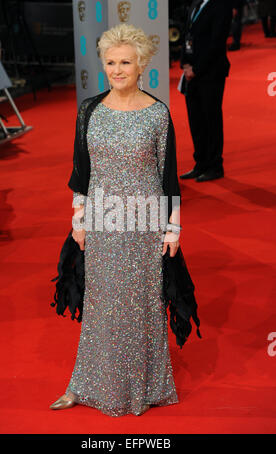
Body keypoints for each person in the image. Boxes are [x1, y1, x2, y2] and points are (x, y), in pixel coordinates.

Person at [49, 24, 198, 417]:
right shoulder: (90, 110)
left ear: (142, 65)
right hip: (102, 220)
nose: (117, 70)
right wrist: (78, 219)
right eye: (111, 62)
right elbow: (81, 170)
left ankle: (143, 388)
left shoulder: (157, 113)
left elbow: (169, 175)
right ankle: (85, 384)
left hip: (144, 222)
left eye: (125, 62)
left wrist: (173, 226)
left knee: (143, 307)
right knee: (102, 307)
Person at [179, 0, 233, 182]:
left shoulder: (221, 5)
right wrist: (184, 64)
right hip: (191, 72)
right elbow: (187, 34)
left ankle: (215, 165)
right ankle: (200, 163)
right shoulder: (195, 3)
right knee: (196, 118)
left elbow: (217, 42)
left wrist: (197, 69)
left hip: (211, 72)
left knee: (211, 118)